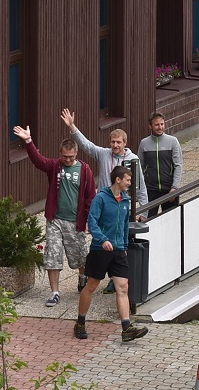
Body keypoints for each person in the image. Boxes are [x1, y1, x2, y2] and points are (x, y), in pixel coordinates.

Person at [61, 107, 147, 292]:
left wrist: (144, 211)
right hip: (104, 205)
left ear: (125, 143)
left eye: (118, 142)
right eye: (113, 142)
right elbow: (86, 145)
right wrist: (72, 127)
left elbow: (140, 186)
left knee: (121, 240)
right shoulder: (103, 154)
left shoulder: (133, 159)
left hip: (122, 206)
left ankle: (116, 278)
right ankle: (99, 274)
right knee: (102, 238)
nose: (115, 145)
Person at [11, 126, 95, 306]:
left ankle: (82, 277)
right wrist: (28, 141)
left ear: (76, 153)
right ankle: (55, 292)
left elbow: (90, 197)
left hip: (75, 222)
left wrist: (89, 220)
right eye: (64, 156)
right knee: (53, 255)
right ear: (60, 154)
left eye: (70, 157)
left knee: (80, 256)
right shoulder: (55, 166)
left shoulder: (85, 170)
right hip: (55, 219)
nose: (67, 159)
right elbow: (38, 161)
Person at [73, 165, 147, 342]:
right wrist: (102, 240)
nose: (129, 183)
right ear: (118, 180)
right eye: (128, 180)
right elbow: (92, 222)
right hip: (100, 250)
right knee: (91, 286)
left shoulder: (126, 200)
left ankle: (126, 328)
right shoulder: (101, 199)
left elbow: (125, 225)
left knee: (123, 287)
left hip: (119, 250)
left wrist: (124, 246)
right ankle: (80, 323)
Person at [138, 111, 183, 215]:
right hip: (150, 190)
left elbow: (178, 165)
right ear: (150, 126)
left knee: (171, 219)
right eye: (157, 125)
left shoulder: (173, 141)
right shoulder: (144, 143)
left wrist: (174, 187)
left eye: (162, 124)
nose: (160, 127)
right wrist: (139, 190)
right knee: (149, 220)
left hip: (169, 189)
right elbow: (139, 167)